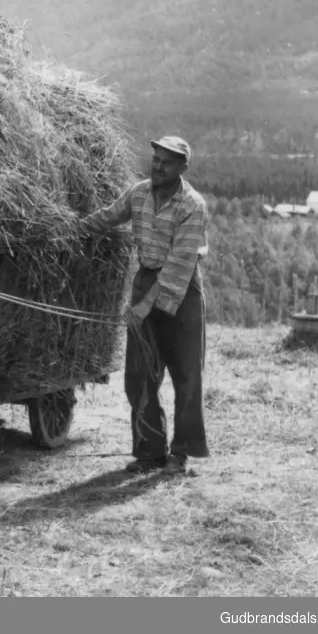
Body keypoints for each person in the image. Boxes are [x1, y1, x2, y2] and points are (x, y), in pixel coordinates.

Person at [80, 135, 210, 476]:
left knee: (186, 376)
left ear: (183, 167)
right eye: (155, 159)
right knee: (139, 375)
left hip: (183, 293)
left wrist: (144, 306)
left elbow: (179, 266)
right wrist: (72, 230)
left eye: (167, 161)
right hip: (146, 281)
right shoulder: (139, 192)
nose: (158, 166)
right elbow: (107, 217)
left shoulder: (192, 205)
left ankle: (180, 454)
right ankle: (150, 452)